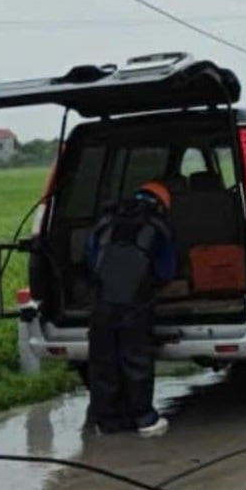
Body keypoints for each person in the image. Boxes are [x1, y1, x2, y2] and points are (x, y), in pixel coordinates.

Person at [84, 179, 177, 436]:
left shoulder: (105, 224)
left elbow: (90, 260)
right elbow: (166, 271)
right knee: (135, 359)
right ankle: (145, 420)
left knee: (103, 361)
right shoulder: (157, 228)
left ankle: (108, 422)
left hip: (101, 303)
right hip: (134, 304)